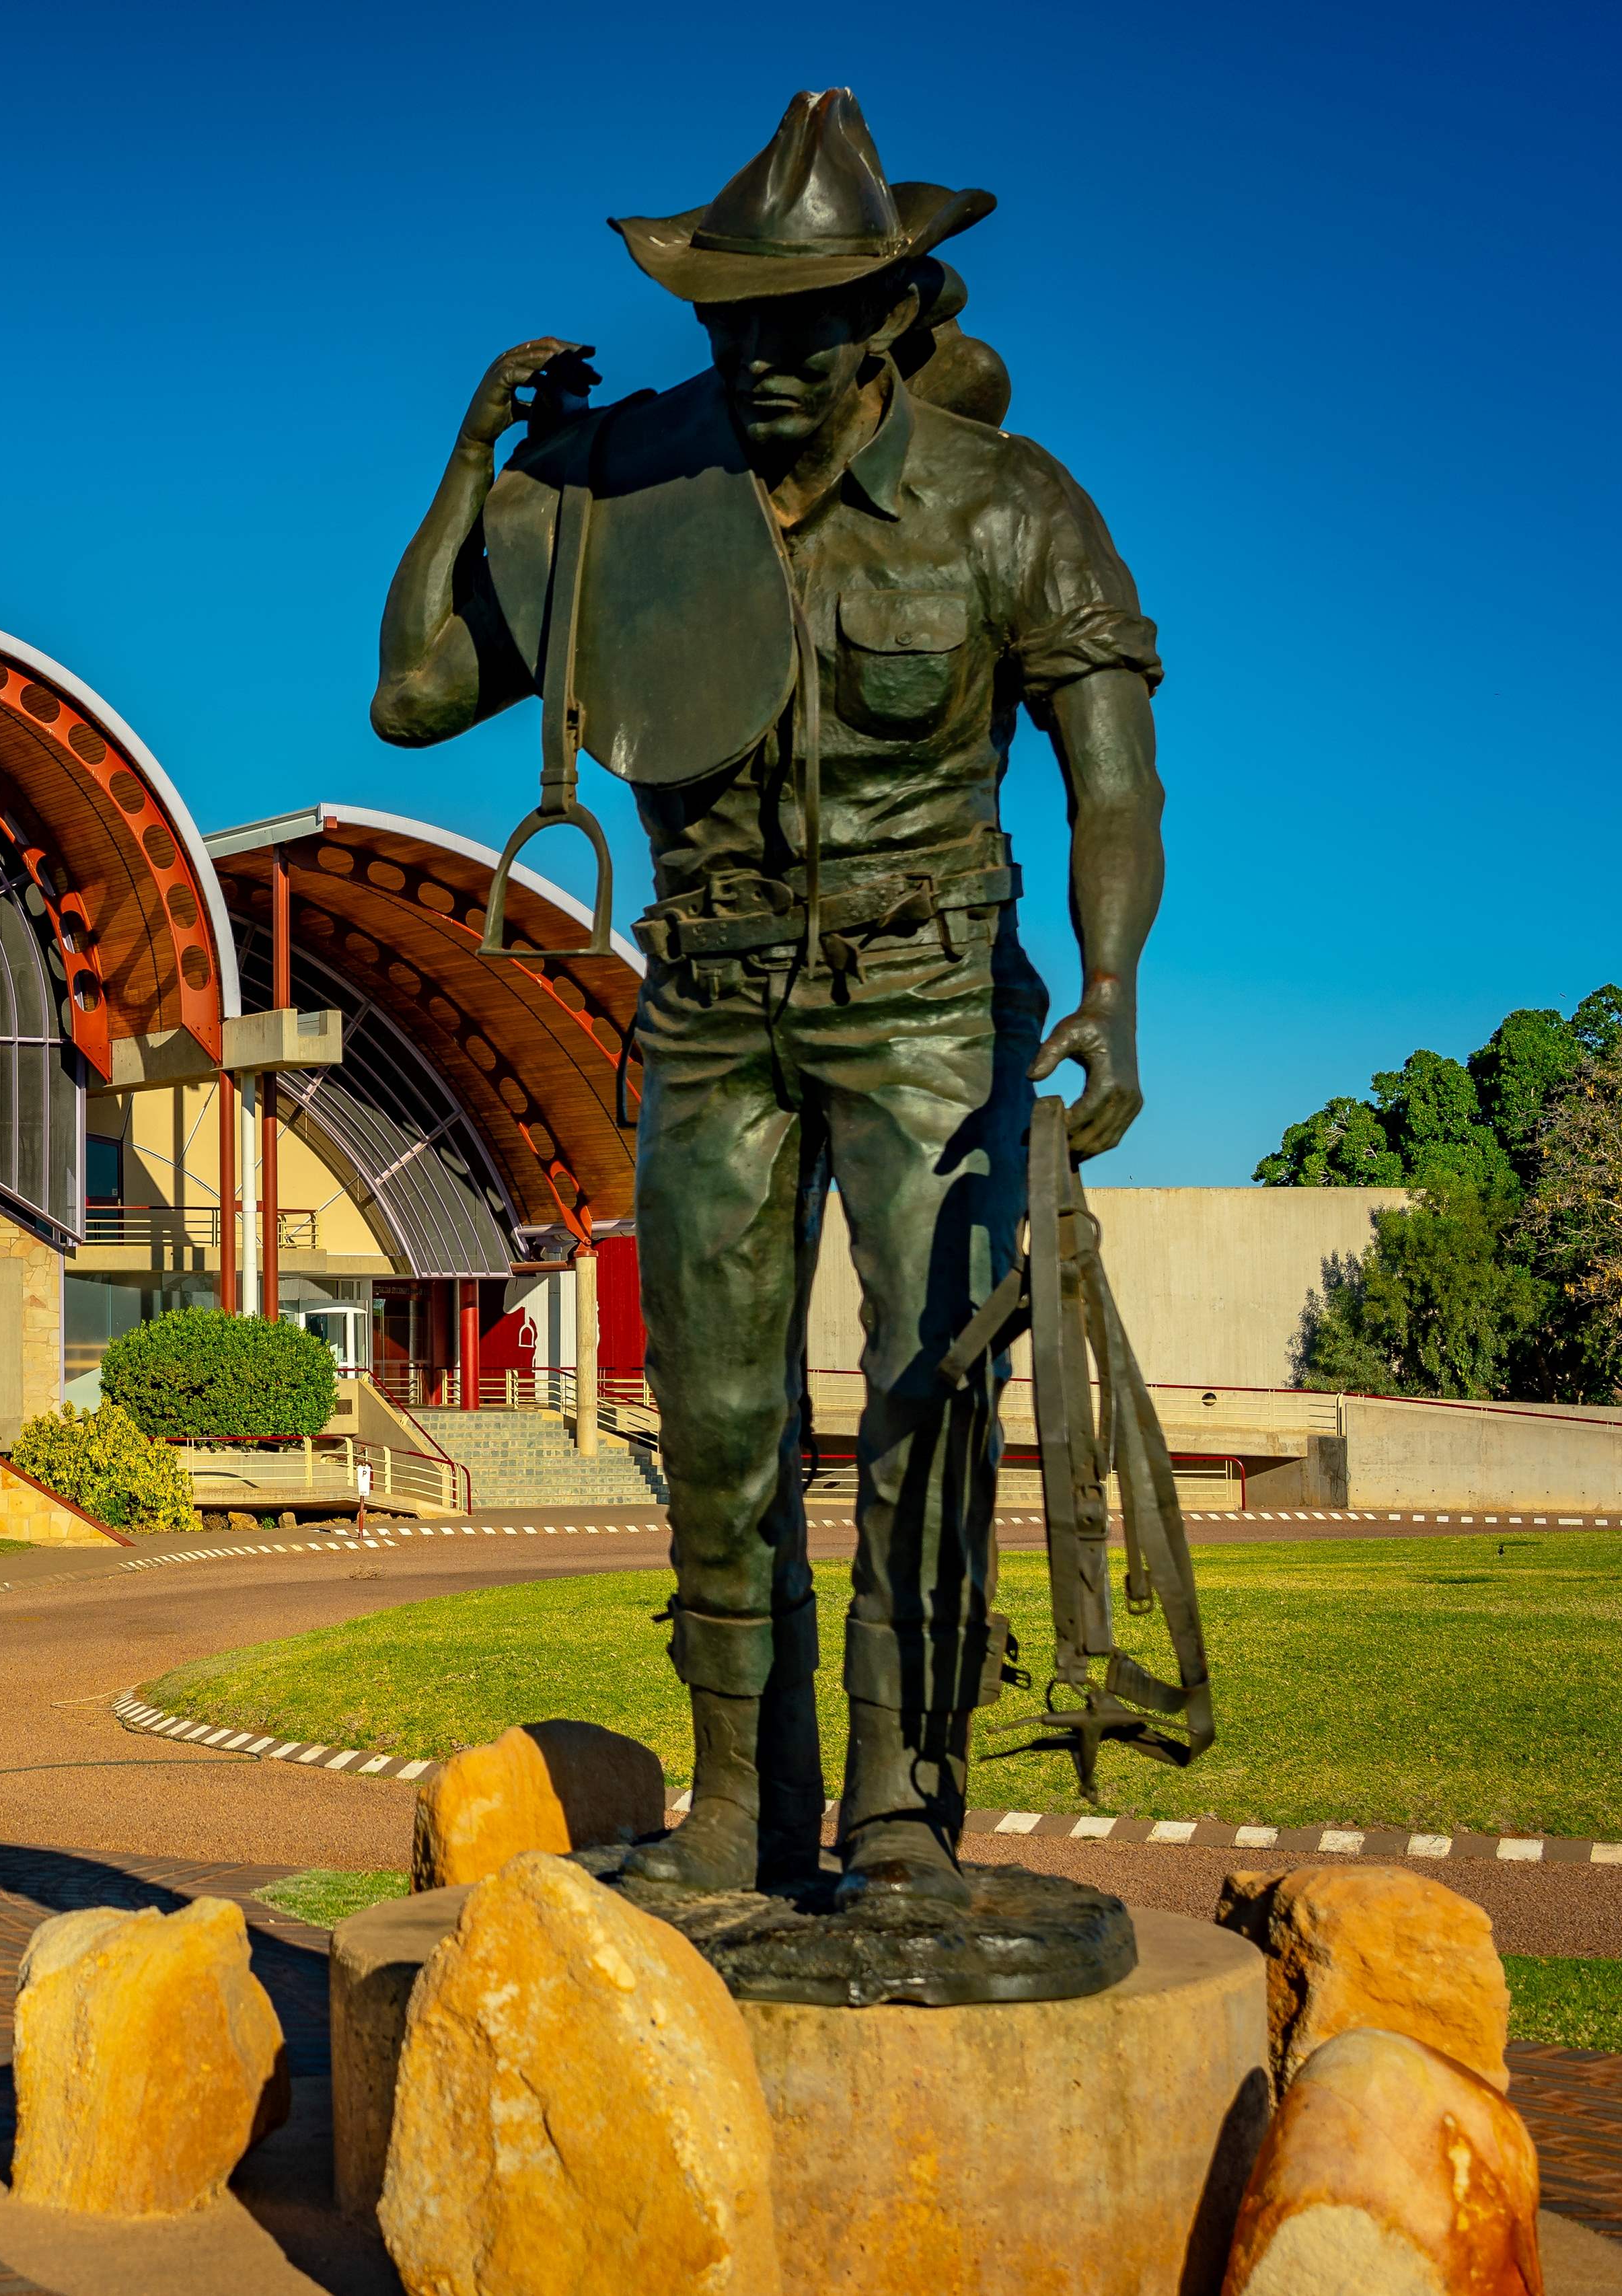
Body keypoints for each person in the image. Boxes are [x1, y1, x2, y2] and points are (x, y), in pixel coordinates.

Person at [370, 89, 1165, 1909]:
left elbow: (1112, 777)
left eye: (807, 329)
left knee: (922, 1403)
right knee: (720, 1421)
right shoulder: (620, 492)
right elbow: (416, 699)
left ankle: (901, 1802)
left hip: (930, 999)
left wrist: (1111, 992)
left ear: (889, 319)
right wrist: (478, 471)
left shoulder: (1006, 507)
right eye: (739, 329)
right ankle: (742, 1798)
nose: (771, 364)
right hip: (713, 1001)